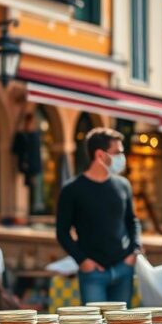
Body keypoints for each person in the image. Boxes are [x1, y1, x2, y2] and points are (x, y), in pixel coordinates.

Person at [56, 128, 142, 304]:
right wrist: (83, 261)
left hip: (123, 268)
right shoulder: (72, 190)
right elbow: (62, 232)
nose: (122, 157)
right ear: (100, 155)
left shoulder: (123, 185)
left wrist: (135, 250)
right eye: (117, 152)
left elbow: (132, 221)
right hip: (92, 273)